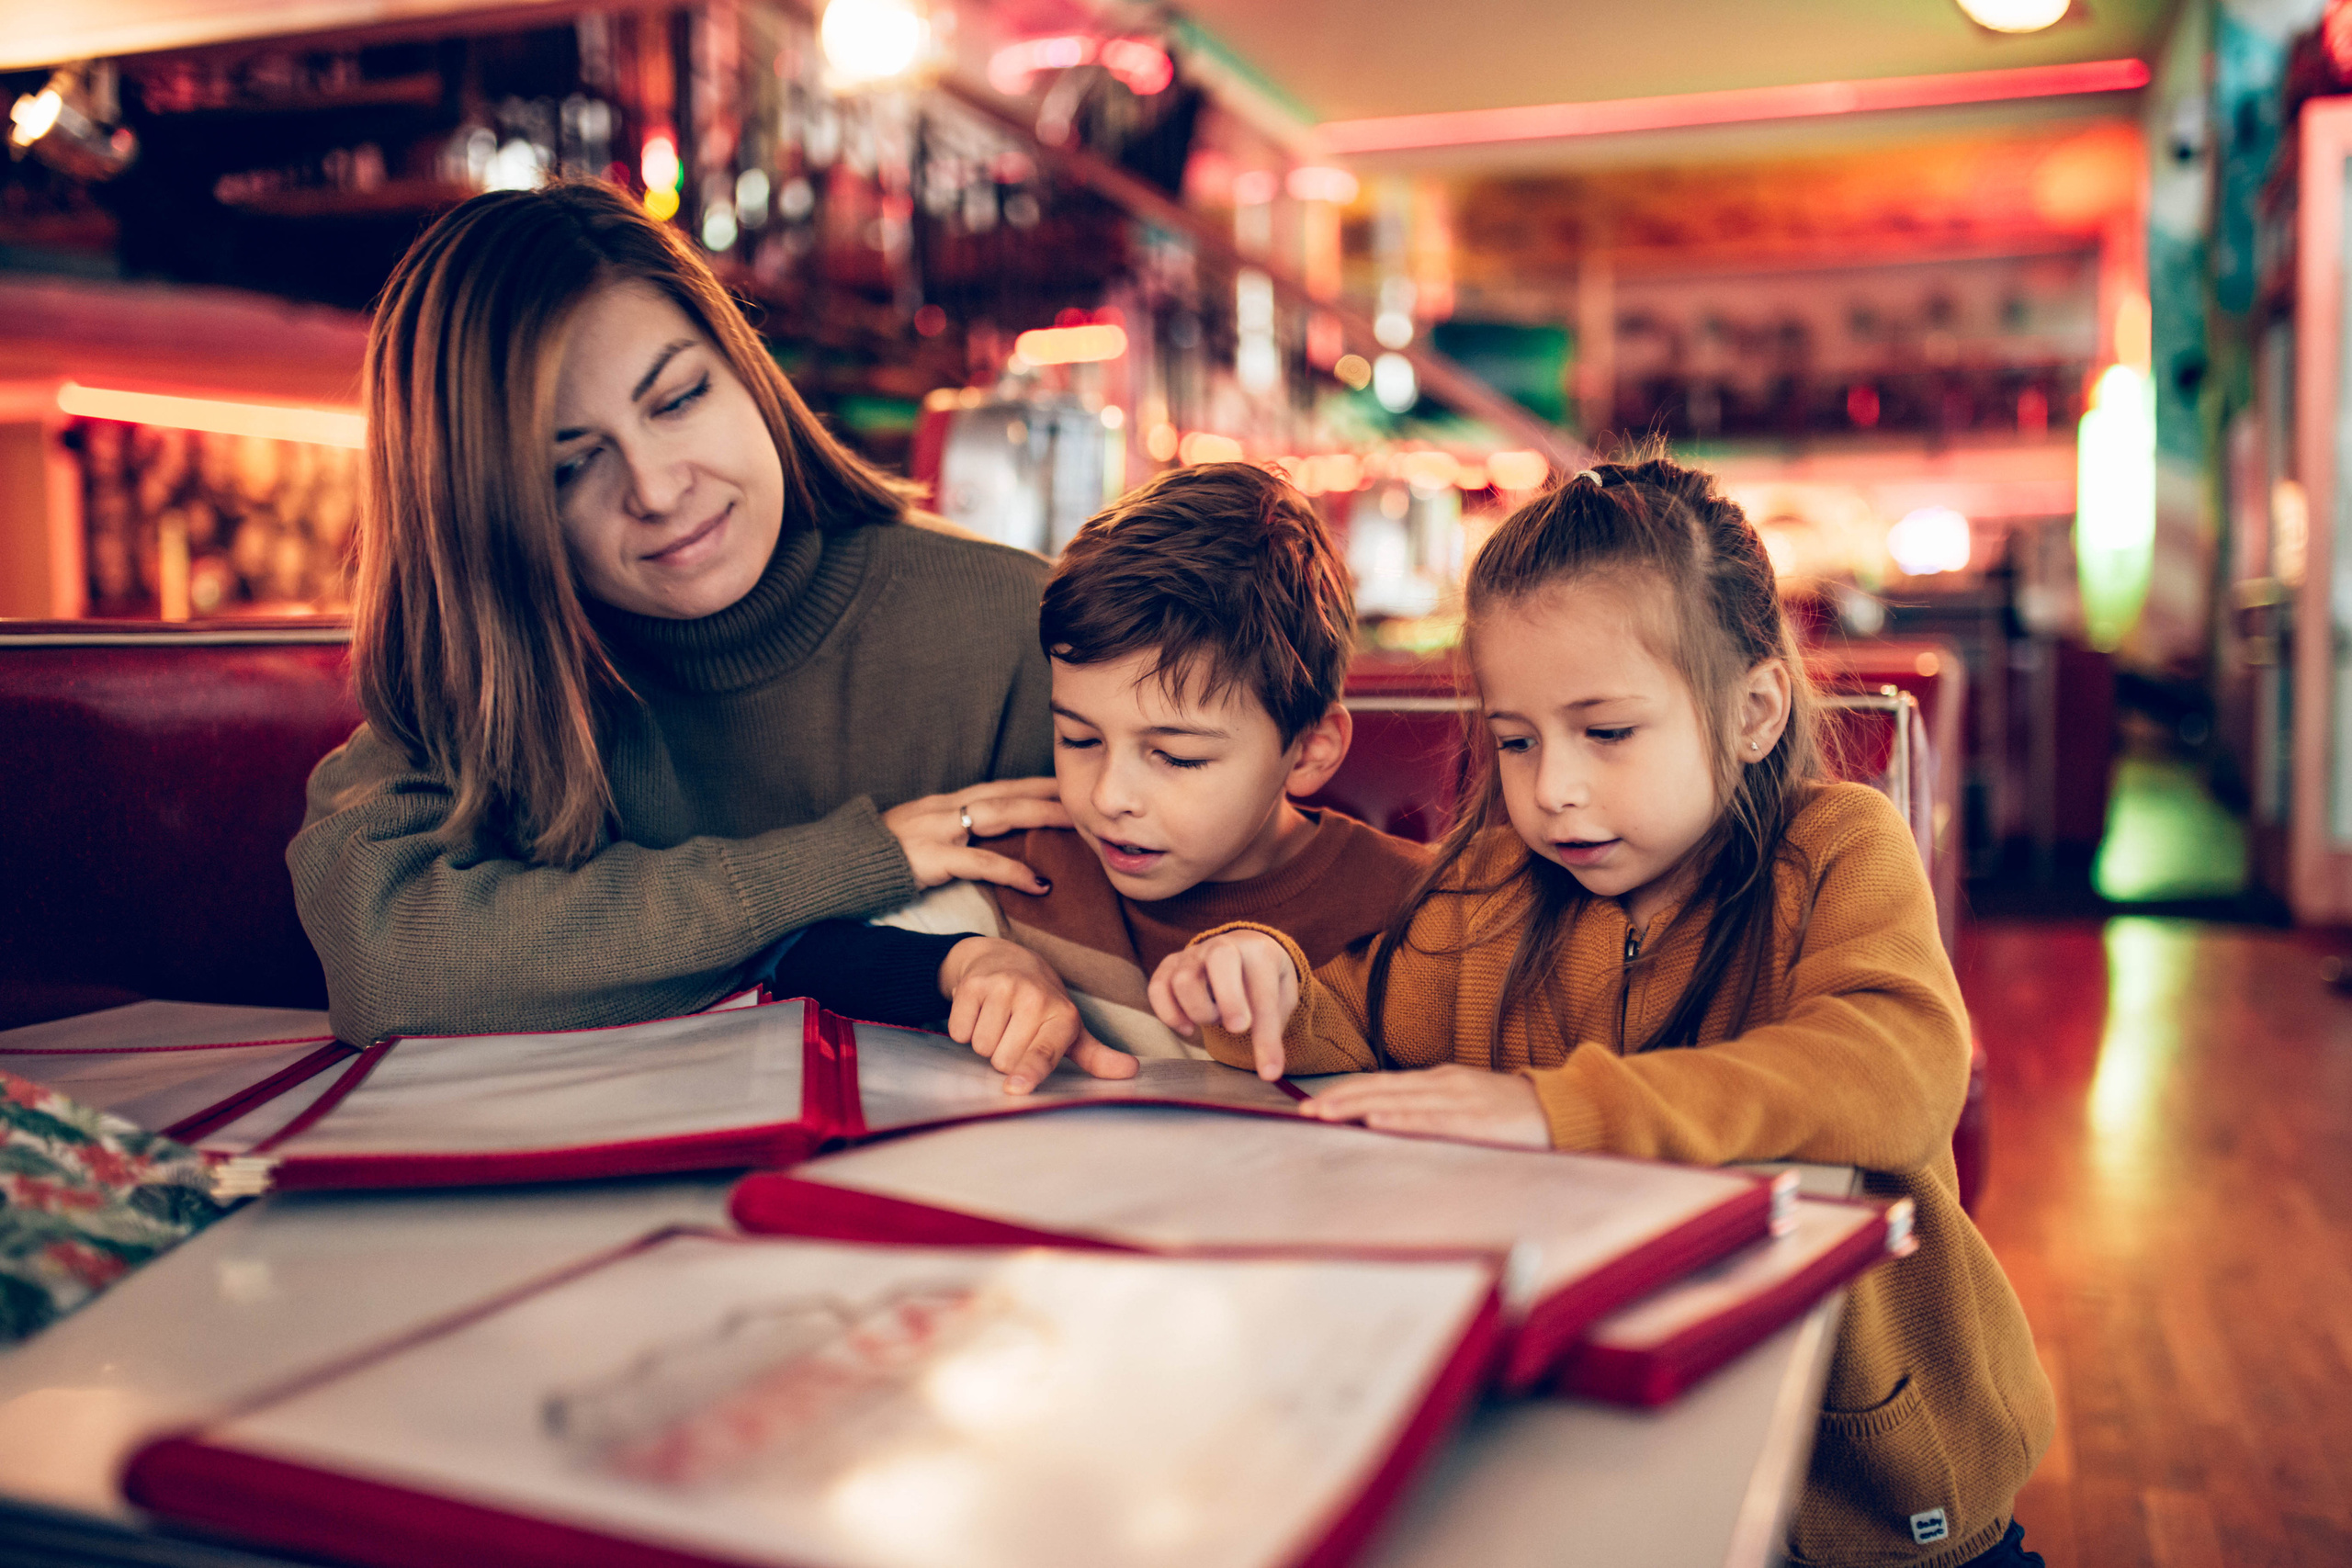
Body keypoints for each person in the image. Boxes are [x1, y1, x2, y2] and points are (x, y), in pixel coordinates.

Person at [1149, 456, 2054, 1568]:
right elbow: (1351, 1030)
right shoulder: (1487, 885)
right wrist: (1260, 980)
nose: (1551, 789)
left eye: (1606, 733)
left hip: (1871, 1492)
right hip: (1603, 1454)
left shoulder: (1836, 849)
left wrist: (1554, 1110)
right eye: (1517, 739)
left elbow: (1900, 1070)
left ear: (1755, 709)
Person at [289, 181, 1095, 1067]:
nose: (658, 488)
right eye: (570, 467)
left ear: (745, 371)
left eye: (677, 400)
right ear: (488, 516)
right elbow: (388, 964)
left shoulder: (1018, 622)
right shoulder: (483, 680)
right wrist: (848, 863)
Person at [876, 462, 1430, 1087]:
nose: (1108, 796)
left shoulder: (1424, 907)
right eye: (1078, 738)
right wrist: (969, 960)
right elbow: (803, 961)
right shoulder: (1032, 870)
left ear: (1308, 751)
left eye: (1176, 756)